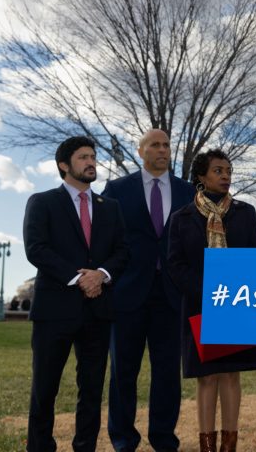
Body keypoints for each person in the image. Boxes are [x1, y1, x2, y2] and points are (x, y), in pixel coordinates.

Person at [23, 136, 129, 452]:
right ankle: (40, 447)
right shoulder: (42, 202)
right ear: (64, 165)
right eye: (83, 157)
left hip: (98, 310)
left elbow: (123, 251)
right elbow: (36, 249)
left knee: (92, 390)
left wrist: (102, 275)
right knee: (45, 388)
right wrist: (78, 278)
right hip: (54, 309)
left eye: (93, 156)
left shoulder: (111, 208)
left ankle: (85, 447)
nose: (91, 161)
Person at [103, 129, 194, 452]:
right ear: (140, 151)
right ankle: (123, 439)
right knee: (123, 372)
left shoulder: (187, 191)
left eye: (167, 145)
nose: (162, 150)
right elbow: (105, 238)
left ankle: (164, 438)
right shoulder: (117, 189)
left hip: (172, 295)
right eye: (155, 145)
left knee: (168, 373)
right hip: (127, 293)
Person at [168, 149, 256, 452]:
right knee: (207, 379)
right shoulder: (181, 218)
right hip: (200, 306)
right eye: (218, 170)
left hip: (237, 305)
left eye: (229, 171)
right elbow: (175, 265)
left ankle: (229, 445)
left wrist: (236, 291)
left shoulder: (245, 213)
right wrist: (206, 291)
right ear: (201, 177)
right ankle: (207, 446)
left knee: (231, 376)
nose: (226, 176)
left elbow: (255, 258)